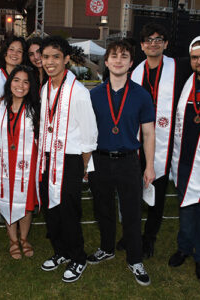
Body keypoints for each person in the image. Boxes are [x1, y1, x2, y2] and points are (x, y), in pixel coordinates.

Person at [88, 40, 155, 286]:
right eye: (114, 56)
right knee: (102, 209)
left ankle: (135, 259)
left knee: (132, 213)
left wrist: (149, 166)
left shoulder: (141, 95)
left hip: (129, 161)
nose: (118, 60)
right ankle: (107, 247)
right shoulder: (94, 94)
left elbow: (148, 133)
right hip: (100, 160)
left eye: (124, 56)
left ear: (130, 63)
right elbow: (86, 133)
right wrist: (86, 164)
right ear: (106, 62)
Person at [128, 23, 192, 258]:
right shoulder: (133, 70)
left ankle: (149, 238)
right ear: (142, 45)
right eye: (148, 40)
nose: (153, 44)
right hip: (137, 141)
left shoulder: (180, 67)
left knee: (157, 192)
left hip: (165, 142)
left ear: (166, 44)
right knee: (133, 192)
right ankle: (131, 234)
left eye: (159, 39)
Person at [37, 36, 98, 283]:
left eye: (55, 57)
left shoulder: (79, 93)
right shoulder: (46, 88)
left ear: (66, 59)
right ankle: (61, 251)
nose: (49, 62)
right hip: (49, 157)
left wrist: (81, 167)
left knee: (69, 212)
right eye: (45, 57)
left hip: (71, 160)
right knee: (51, 211)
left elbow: (89, 135)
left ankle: (78, 258)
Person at [0, 65, 40, 259]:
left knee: (26, 199)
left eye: (25, 81)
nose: (20, 85)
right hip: (5, 161)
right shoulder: (0, 106)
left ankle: (24, 238)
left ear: (30, 86)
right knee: (8, 197)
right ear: (9, 82)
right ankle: (12, 239)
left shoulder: (36, 109)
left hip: (27, 162)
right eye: (16, 80)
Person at [168, 36, 200, 280]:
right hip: (186, 158)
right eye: (195, 57)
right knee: (186, 207)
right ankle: (183, 248)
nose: (198, 62)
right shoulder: (185, 83)